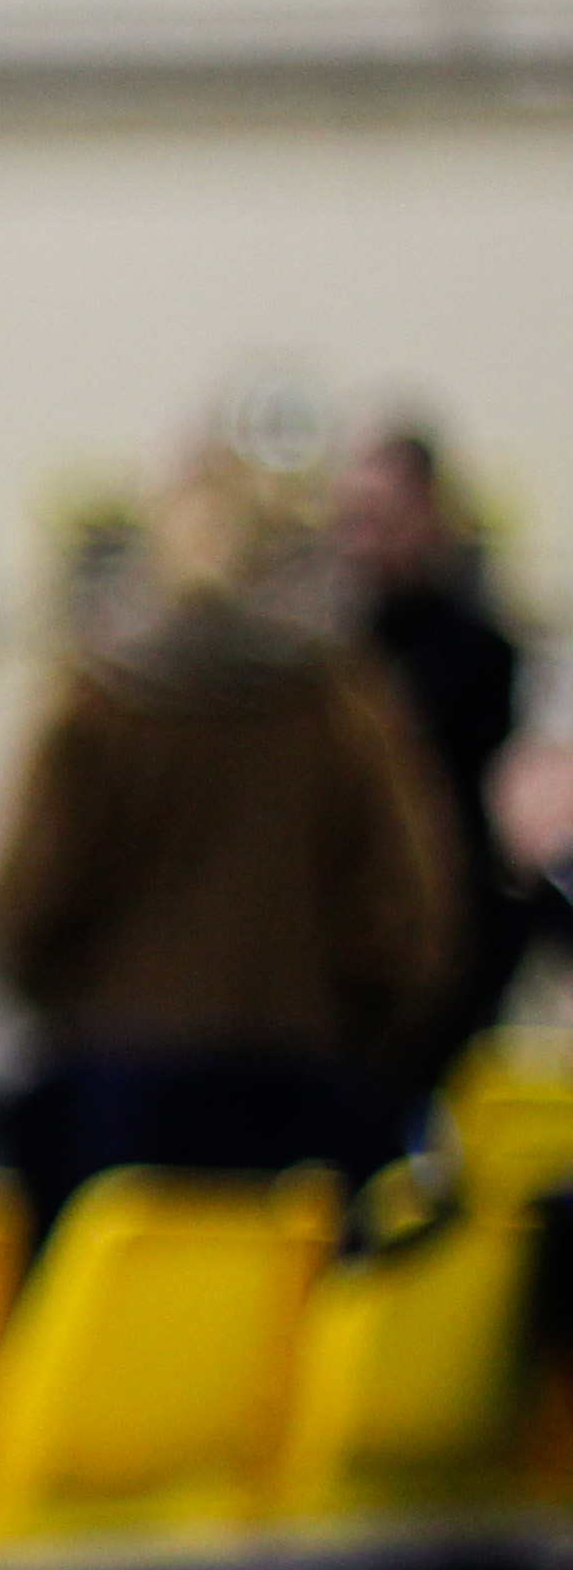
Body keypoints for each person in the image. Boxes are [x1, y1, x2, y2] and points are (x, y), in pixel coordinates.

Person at [0, 447, 460, 1223]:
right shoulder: (337, 704)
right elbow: (404, 903)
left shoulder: (97, 704)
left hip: (118, 1082)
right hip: (301, 1079)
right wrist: (361, 1022)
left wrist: (71, 1002)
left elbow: (25, 897)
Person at [335, 420, 536, 1095]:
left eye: (383, 518)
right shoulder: (329, 658)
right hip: (349, 948)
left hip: (452, 938)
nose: (365, 540)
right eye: (353, 520)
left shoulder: (483, 655)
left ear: (428, 515)